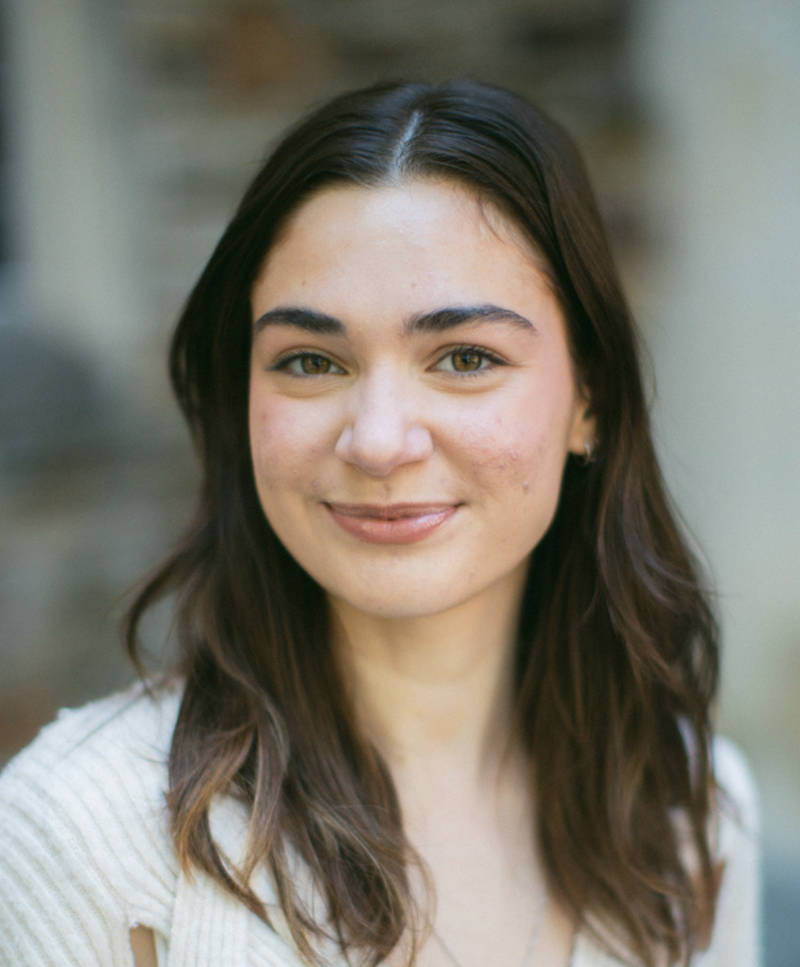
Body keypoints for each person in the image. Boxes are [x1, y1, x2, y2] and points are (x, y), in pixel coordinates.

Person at [0, 79, 759, 967]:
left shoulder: (685, 813)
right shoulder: (76, 839)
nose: (379, 441)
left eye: (465, 357)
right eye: (312, 360)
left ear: (588, 396)